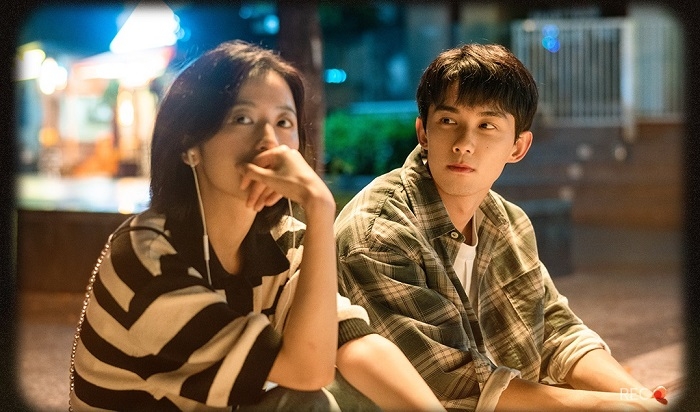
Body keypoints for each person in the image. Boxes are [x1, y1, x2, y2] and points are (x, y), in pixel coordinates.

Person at [69, 40, 444, 411]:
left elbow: (352, 342)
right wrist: (319, 205)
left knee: (363, 390)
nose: (269, 142)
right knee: (308, 402)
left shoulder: (281, 238)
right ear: (189, 144)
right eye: (242, 119)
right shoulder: (146, 261)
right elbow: (307, 371)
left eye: (283, 122)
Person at [334, 43, 670, 411]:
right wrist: (604, 405)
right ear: (423, 132)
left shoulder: (506, 222)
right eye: (448, 121)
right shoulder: (378, 232)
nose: (464, 144)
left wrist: (636, 396)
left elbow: (556, 332)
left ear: (518, 147)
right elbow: (449, 383)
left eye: (487, 125)